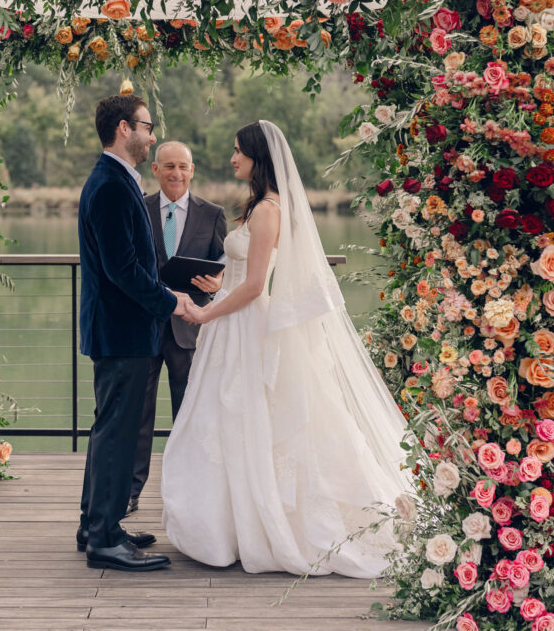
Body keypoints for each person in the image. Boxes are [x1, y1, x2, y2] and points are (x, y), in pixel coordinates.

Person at [161, 120, 411, 576]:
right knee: (223, 424)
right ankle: (228, 526)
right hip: (233, 321)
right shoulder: (261, 206)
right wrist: (219, 284)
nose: (232, 158)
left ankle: (255, 527)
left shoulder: (267, 210)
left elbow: (257, 286)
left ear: (258, 158)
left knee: (247, 421)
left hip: (243, 326)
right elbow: (244, 276)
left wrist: (204, 312)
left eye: (239, 152)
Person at [76, 94, 194, 572]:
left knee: (111, 432)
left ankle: (96, 525)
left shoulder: (117, 180)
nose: (152, 135)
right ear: (125, 128)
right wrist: (171, 301)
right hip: (121, 331)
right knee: (117, 435)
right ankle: (103, 539)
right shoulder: (109, 186)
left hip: (122, 330)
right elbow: (123, 269)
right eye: (147, 126)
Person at [129, 142, 227, 514]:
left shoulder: (213, 214)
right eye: (168, 166)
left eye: (183, 166)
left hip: (190, 328)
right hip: (145, 325)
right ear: (155, 169)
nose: (176, 173)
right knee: (139, 415)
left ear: (192, 169)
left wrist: (217, 285)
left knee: (191, 414)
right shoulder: (139, 206)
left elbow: (223, 266)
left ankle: (193, 494)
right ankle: (131, 493)